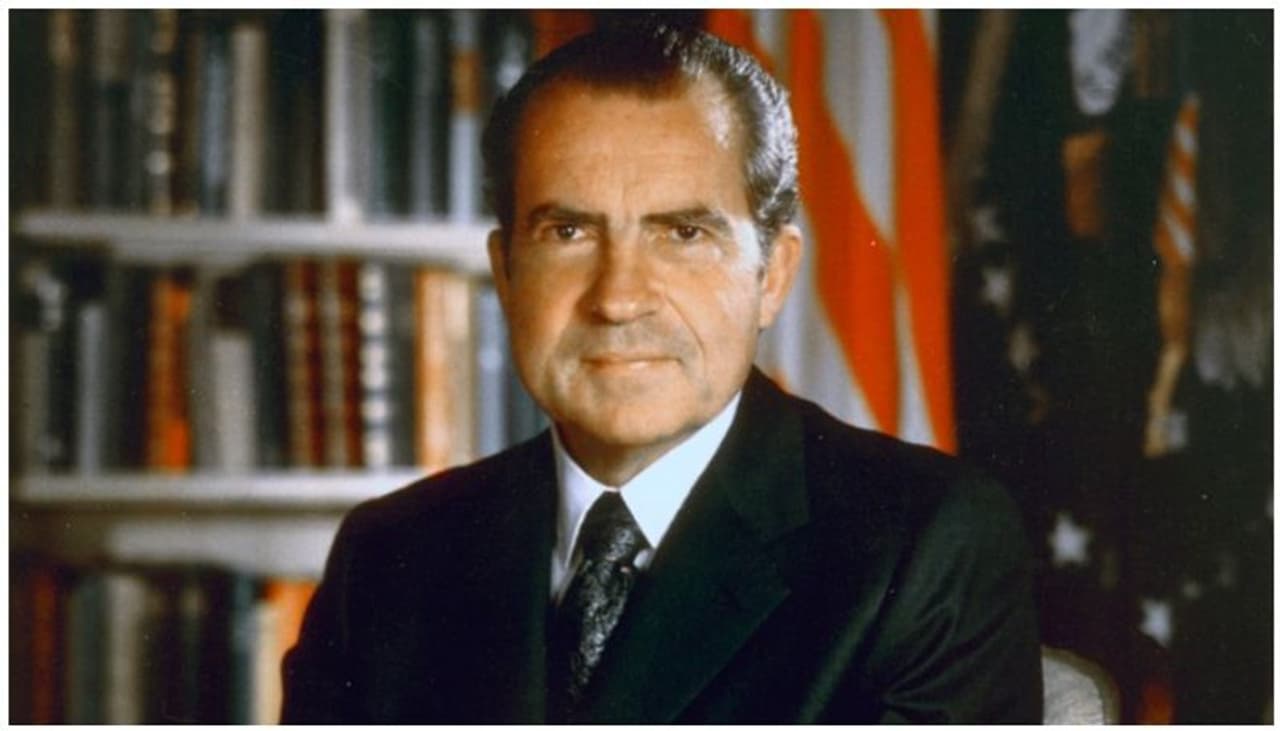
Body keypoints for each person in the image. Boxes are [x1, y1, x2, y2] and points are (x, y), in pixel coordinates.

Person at [281, 22, 1042, 724]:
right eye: (568, 231)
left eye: (683, 233)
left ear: (772, 276)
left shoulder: (922, 548)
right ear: (505, 274)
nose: (618, 298)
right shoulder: (386, 560)